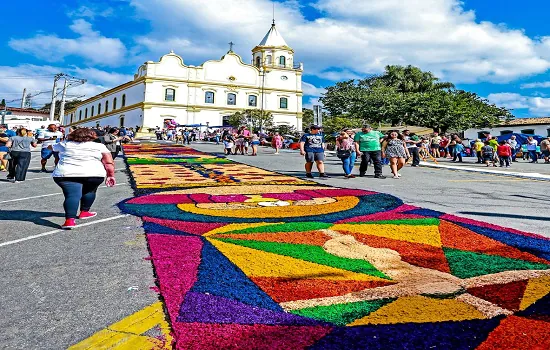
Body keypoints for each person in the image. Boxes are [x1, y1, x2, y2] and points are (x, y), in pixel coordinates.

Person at [49, 128, 116, 229]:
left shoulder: (65, 144)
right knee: (90, 191)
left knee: (72, 195)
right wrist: (110, 175)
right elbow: (108, 162)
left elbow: (51, 147)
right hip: (94, 173)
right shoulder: (99, 146)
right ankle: (84, 212)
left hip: (66, 174)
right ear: (92, 136)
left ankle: (69, 221)